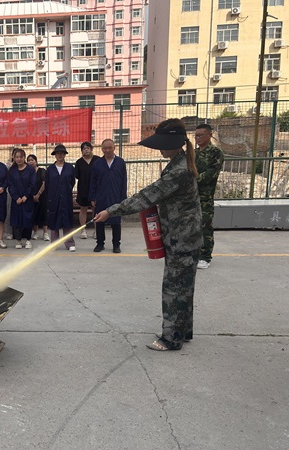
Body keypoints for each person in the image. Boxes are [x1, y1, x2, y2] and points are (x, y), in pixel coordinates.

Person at [94, 118, 202, 352]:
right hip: (185, 236)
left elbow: (147, 196)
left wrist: (110, 211)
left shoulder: (178, 171)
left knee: (174, 289)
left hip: (182, 238)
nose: (160, 148)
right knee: (184, 287)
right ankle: (182, 332)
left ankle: (171, 339)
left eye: (162, 144)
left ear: (172, 143)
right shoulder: (179, 163)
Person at [89, 139, 127, 253]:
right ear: (102, 149)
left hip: (116, 196)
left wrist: (123, 198)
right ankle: (100, 243)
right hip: (101, 196)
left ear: (114, 148)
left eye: (110, 148)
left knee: (116, 221)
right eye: (105, 148)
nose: (107, 150)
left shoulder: (120, 162)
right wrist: (92, 197)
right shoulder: (97, 163)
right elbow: (93, 182)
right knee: (99, 220)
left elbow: (124, 181)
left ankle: (116, 244)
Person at [195, 124, 224, 269]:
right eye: (196, 135)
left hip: (205, 196)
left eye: (201, 135)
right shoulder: (193, 153)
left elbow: (210, 174)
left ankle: (205, 257)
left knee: (205, 225)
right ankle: (194, 253)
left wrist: (191, 180)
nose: (198, 138)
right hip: (191, 195)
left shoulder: (215, 153)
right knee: (193, 226)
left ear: (209, 135)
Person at [45, 144, 76, 252]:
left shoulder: (70, 168)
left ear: (65, 154)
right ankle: (54, 243)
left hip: (66, 198)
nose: (60, 155)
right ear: (55, 155)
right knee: (54, 221)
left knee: (67, 220)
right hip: (53, 198)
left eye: (62, 153)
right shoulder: (50, 169)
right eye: (57, 153)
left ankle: (69, 243)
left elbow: (72, 182)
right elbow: (47, 184)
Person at [8, 148, 36, 249]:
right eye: (17, 157)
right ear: (14, 158)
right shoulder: (12, 170)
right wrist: (16, 197)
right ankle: (18, 240)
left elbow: (32, 184)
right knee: (17, 220)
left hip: (27, 200)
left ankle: (28, 239)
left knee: (27, 219)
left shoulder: (30, 170)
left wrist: (26, 196)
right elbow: (10, 185)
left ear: (24, 157)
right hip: (17, 201)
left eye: (21, 157)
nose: (19, 159)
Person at [75, 141, 99, 239]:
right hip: (83, 189)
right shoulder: (79, 162)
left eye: (88, 148)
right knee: (83, 209)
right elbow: (76, 176)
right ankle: (83, 230)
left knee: (95, 209)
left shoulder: (98, 160)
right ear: (82, 151)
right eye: (84, 148)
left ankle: (97, 230)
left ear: (91, 149)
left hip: (95, 189)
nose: (86, 150)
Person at [27, 154, 49, 241]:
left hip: (42, 196)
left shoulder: (42, 171)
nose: (30, 162)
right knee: (34, 214)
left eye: (32, 160)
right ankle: (35, 232)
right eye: (28, 160)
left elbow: (44, 183)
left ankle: (45, 233)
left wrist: (38, 194)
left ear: (36, 161)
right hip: (31, 197)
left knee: (44, 214)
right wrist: (32, 195)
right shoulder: (28, 172)